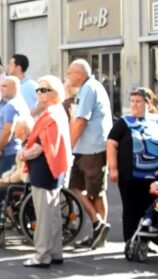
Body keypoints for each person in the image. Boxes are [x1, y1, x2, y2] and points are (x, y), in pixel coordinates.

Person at [18, 76, 71, 268]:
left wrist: (23, 154)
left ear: (55, 94)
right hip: (53, 169)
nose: (39, 93)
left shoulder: (51, 115)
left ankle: (42, 255)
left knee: (45, 215)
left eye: (44, 90)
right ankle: (55, 251)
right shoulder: (56, 112)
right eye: (38, 89)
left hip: (45, 168)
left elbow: (40, 147)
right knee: (53, 213)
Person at [66, 59, 113, 249]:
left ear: (79, 74)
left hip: (92, 149)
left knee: (96, 193)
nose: (68, 77)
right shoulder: (89, 88)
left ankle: (99, 230)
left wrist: (67, 146)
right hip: (86, 148)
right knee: (77, 187)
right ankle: (98, 225)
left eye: (70, 73)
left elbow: (80, 121)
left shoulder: (88, 88)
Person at [106, 87, 158, 242]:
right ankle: (131, 241)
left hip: (154, 177)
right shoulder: (124, 122)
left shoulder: (155, 120)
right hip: (130, 175)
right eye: (133, 101)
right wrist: (113, 168)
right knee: (131, 209)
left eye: (139, 101)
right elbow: (111, 144)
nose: (135, 104)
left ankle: (146, 240)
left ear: (148, 104)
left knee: (151, 209)